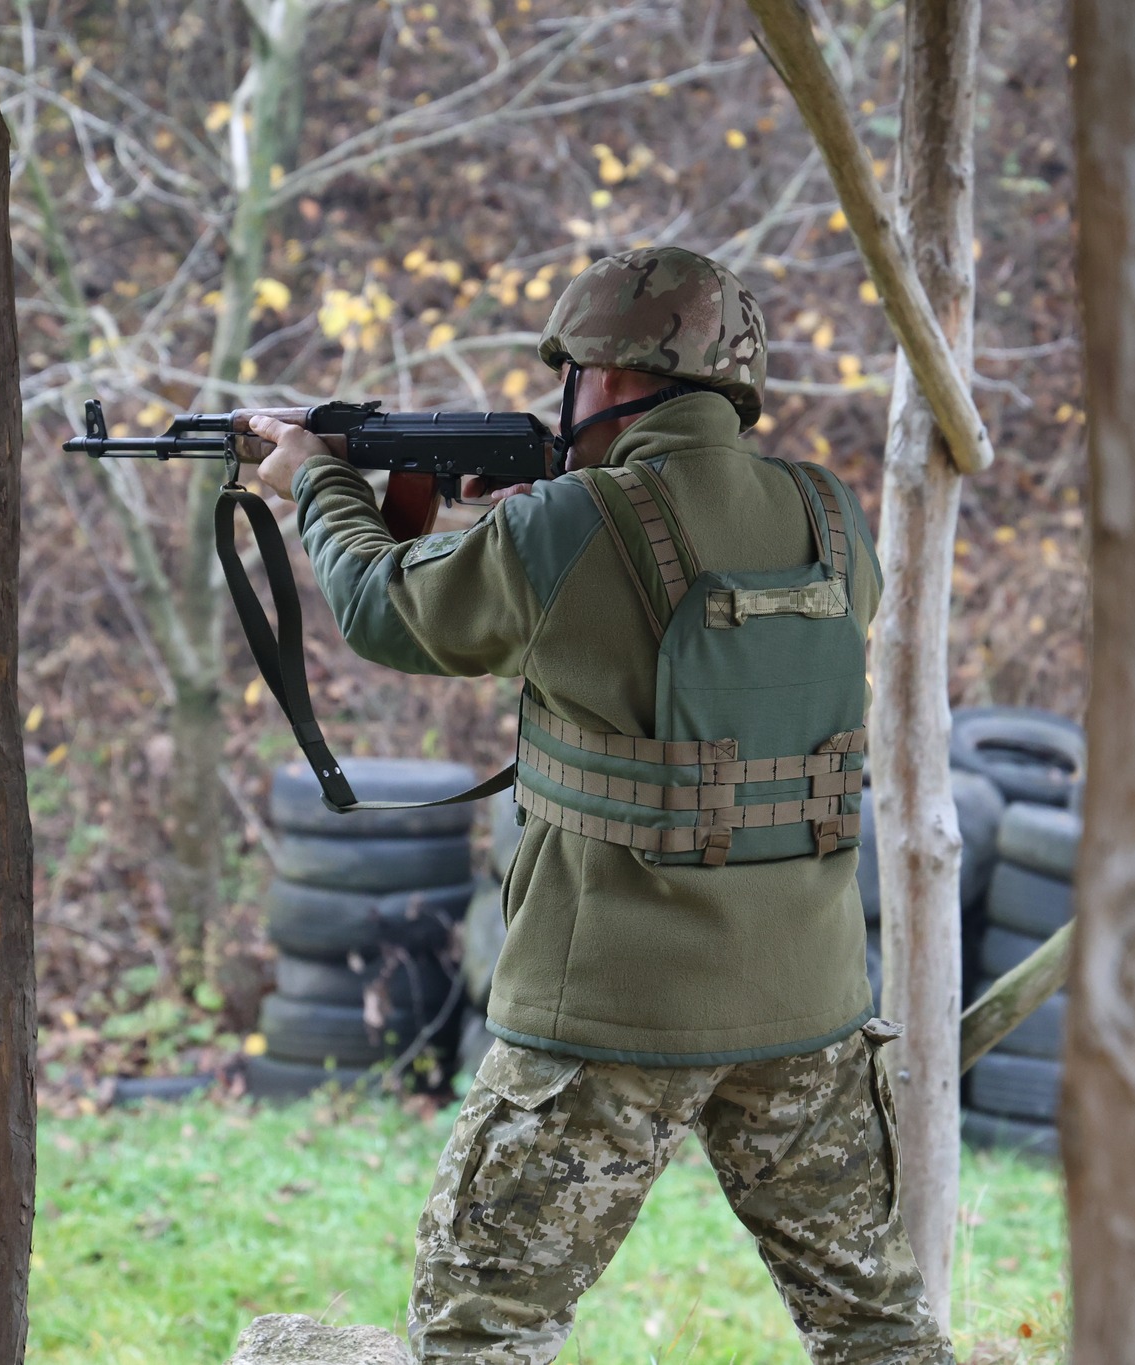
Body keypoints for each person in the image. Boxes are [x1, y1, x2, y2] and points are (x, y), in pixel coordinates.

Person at [244, 246, 953, 1365]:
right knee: (877, 1334)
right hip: (804, 1003)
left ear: (609, 381)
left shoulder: (565, 526)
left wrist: (318, 482)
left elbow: (385, 612)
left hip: (607, 1011)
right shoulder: (830, 517)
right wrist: (527, 520)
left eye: (568, 371)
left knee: (482, 1336)